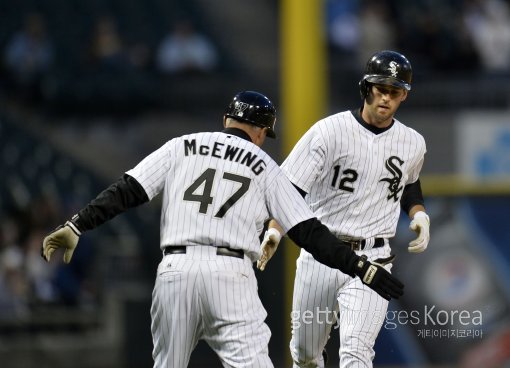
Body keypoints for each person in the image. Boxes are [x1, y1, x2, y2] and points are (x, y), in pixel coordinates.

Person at [41, 90, 403, 367]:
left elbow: (128, 190)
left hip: (175, 271)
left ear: (226, 119)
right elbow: (309, 233)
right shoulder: (264, 164)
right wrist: (359, 267)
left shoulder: (181, 146)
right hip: (230, 274)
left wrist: (77, 224)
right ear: (262, 132)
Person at [257, 51, 430, 367]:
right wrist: (273, 229)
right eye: (381, 88)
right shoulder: (328, 132)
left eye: (395, 91)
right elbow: (287, 190)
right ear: (366, 88)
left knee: (356, 353)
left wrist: (418, 212)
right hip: (322, 255)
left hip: (374, 258)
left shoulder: (413, 142)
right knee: (306, 355)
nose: (386, 98)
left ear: (404, 95)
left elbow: (409, 184)